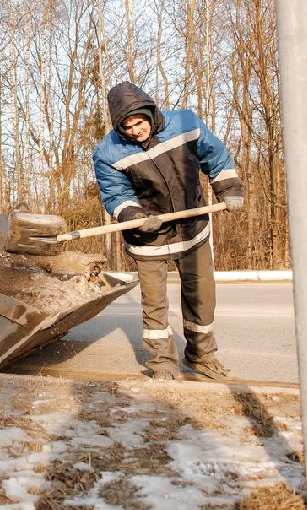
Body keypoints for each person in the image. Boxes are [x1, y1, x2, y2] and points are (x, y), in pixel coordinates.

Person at [92, 82, 244, 382]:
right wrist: (134, 215)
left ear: (150, 113)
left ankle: (201, 357)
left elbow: (216, 156)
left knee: (201, 298)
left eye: (139, 122)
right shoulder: (107, 152)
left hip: (192, 228)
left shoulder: (185, 124)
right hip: (149, 238)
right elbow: (115, 194)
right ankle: (162, 364)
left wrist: (229, 188)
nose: (136, 130)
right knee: (155, 306)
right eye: (128, 126)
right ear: (119, 126)